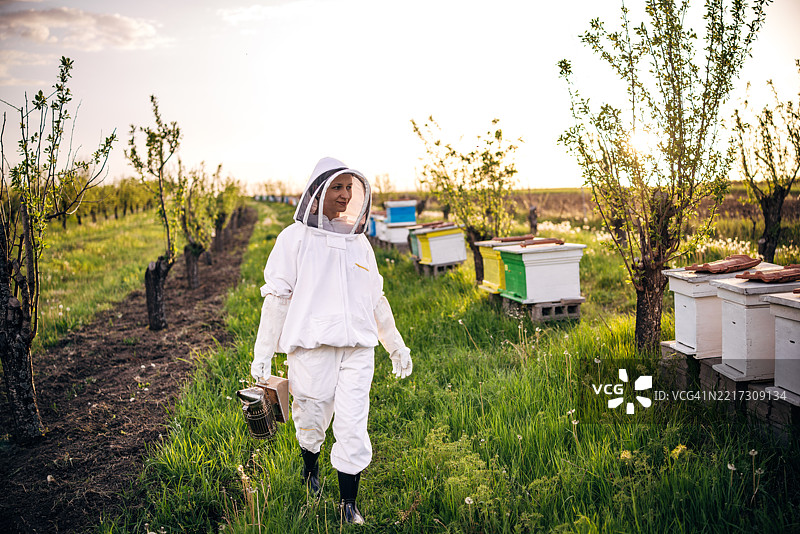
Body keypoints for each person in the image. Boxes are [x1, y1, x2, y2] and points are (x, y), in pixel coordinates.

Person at [250, 157, 413, 525]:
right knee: (311, 417)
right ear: (318, 191)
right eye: (337, 187)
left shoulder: (359, 244)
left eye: (349, 188)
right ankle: (310, 469)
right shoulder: (293, 239)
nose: (344, 195)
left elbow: (376, 300)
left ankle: (348, 504)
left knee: (354, 423)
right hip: (311, 349)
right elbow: (277, 297)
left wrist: (395, 345)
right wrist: (263, 353)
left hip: (357, 349)